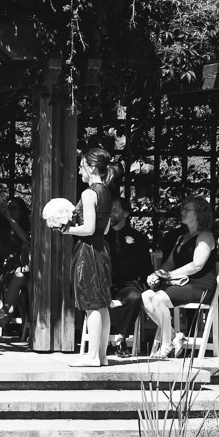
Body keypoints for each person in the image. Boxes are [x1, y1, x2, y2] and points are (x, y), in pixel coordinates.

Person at [61, 148, 120, 367]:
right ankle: (101, 356)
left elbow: (89, 228)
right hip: (102, 249)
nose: (79, 170)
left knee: (91, 304)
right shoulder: (106, 192)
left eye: (81, 165)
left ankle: (93, 356)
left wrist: (67, 230)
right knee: (102, 304)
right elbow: (104, 231)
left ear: (92, 167)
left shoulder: (89, 193)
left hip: (88, 252)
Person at [141, 196, 218, 358]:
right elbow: (169, 263)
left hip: (200, 286)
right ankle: (176, 336)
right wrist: (157, 274)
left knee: (159, 299)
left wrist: (169, 275)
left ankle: (166, 345)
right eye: (182, 209)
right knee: (146, 296)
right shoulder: (181, 238)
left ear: (199, 214)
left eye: (187, 209)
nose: (182, 212)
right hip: (183, 283)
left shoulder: (206, 236)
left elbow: (197, 265)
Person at [107, 196, 152, 344]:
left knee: (135, 297)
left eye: (114, 210)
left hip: (127, 285)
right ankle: (100, 339)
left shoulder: (140, 239)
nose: (110, 213)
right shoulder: (100, 237)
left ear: (126, 213)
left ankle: (122, 338)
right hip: (104, 284)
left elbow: (145, 268)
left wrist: (150, 283)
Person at [0, 197, 31, 327]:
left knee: (21, 291)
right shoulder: (2, 230)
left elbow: (26, 238)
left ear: (21, 211)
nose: (10, 211)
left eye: (13, 208)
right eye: (8, 208)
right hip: (8, 272)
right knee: (20, 295)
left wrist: (10, 219)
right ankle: (20, 327)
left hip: (25, 270)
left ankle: (5, 316)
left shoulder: (26, 227)